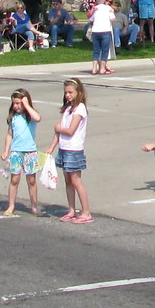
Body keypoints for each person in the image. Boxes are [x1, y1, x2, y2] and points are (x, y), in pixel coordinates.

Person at [48, 78, 92, 224]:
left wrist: (58, 128)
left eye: (70, 92)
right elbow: (59, 131)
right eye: (66, 92)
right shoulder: (67, 108)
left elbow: (69, 130)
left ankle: (86, 212)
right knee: (67, 180)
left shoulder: (80, 108)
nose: (67, 95)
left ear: (78, 92)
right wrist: (51, 147)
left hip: (74, 149)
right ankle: (71, 209)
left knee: (76, 180)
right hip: (64, 148)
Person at [0, 88, 44, 218]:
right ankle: (11, 205)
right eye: (14, 103)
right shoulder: (13, 118)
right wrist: (6, 150)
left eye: (19, 103)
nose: (16, 106)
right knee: (14, 180)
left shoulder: (30, 116)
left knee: (31, 181)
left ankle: (34, 207)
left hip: (30, 152)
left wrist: (27, 105)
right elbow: (9, 135)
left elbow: (38, 118)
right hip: (16, 152)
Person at [87, 0, 114, 74]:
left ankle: (94, 69)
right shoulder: (107, 8)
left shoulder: (95, 9)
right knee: (105, 50)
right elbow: (113, 19)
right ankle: (102, 69)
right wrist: (111, 12)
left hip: (95, 31)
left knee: (96, 51)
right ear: (104, 0)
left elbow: (91, 19)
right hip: (105, 30)